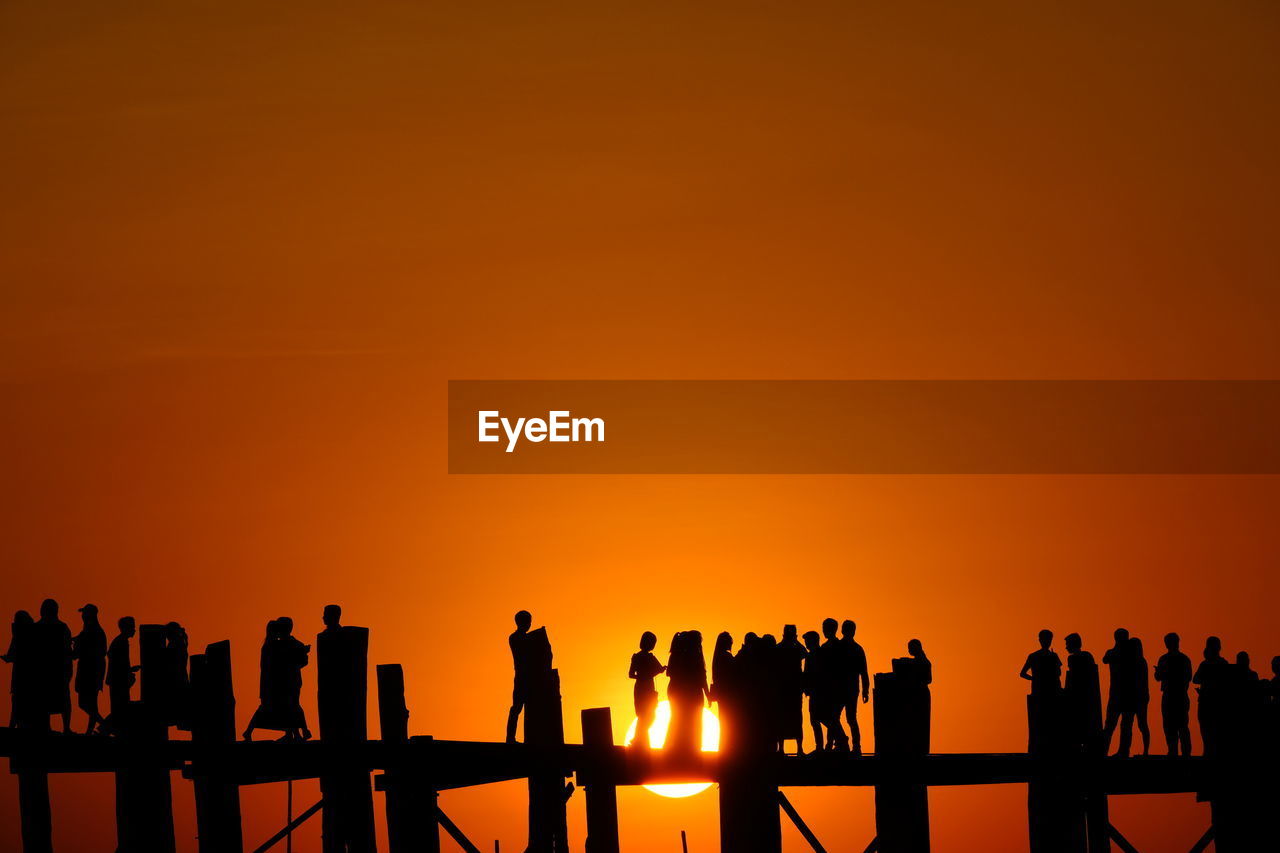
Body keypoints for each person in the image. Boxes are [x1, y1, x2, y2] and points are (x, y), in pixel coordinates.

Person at [665, 630, 710, 760]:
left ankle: (676, 746)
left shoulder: (676, 654)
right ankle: (690, 748)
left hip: (675, 690)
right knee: (692, 719)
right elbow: (702, 676)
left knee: (678, 718)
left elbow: (669, 673)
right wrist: (707, 694)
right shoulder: (694, 655)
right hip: (690, 692)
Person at [32, 599, 73, 734]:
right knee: (63, 700)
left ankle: (48, 727)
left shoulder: (36, 628)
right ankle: (66, 727)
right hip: (59, 670)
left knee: (44, 699)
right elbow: (67, 651)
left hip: (44, 671)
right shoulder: (63, 627)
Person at [1154, 632, 1193, 756]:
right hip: (1179, 695)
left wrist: (1162, 672)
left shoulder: (1164, 659)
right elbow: (1189, 677)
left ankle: (1175, 752)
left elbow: (1158, 677)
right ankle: (1182, 753)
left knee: (1173, 726)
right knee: (1179, 725)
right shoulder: (1184, 659)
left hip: (1173, 695)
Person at [72, 604, 108, 735]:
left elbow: (78, 652)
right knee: (92, 704)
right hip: (95, 670)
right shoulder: (95, 630)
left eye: (84, 614)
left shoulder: (91, 631)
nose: (82, 616)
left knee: (85, 703)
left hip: (89, 671)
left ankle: (105, 726)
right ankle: (91, 730)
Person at [1063, 633, 1102, 754]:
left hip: (1077, 699)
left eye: (1067, 644)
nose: (1066, 647)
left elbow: (1072, 679)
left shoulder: (1073, 658)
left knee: (1077, 725)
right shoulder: (1088, 656)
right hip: (1089, 698)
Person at [1193, 636, 1231, 756]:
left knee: (1207, 733)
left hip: (1208, 703)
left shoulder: (1205, 664)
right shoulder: (1223, 663)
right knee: (1216, 733)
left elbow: (1195, 679)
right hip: (1217, 703)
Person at [1101, 629, 1136, 757]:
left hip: (1118, 694)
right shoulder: (1126, 654)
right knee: (1120, 725)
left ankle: (1115, 751)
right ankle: (1118, 751)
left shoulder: (1114, 653)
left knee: (1114, 725)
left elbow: (1105, 659)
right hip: (1124, 694)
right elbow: (1105, 659)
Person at [818, 619, 851, 751]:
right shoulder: (827, 647)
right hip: (830, 688)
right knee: (832, 717)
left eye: (825, 628)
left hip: (837, 688)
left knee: (829, 716)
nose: (824, 630)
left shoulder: (838, 647)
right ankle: (835, 742)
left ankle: (840, 740)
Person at [839, 620, 871, 755]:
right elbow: (864, 671)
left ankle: (849, 744)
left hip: (843, 688)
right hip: (848, 688)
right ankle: (850, 744)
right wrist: (865, 689)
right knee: (849, 717)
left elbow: (863, 671)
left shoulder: (839, 647)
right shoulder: (857, 648)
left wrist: (865, 689)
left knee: (840, 716)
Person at [629, 631, 665, 749]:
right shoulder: (646, 657)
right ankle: (638, 740)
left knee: (646, 715)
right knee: (646, 715)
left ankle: (638, 739)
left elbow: (658, 669)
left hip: (643, 687)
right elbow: (631, 674)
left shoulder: (640, 657)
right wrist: (647, 675)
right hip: (645, 687)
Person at [775, 625, 807, 755]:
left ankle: (786, 748)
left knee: (788, 718)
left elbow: (805, 653)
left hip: (788, 689)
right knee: (793, 718)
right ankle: (795, 748)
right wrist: (796, 640)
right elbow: (805, 652)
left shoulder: (779, 648)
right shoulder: (792, 649)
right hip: (790, 689)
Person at [2, 611, 34, 728]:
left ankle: (12, 725)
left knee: (16, 703)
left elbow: (11, 655)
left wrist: (7, 658)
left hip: (19, 675)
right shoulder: (33, 633)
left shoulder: (18, 634)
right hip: (30, 676)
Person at [506, 610, 533, 743]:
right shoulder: (515, 638)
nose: (529, 624)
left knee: (531, 708)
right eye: (528, 621)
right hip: (522, 677)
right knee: (516, 707)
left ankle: (531, 738)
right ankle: (510, 738)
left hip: (528, 677)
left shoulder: (526, 638)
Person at [105, 617, 139, 724]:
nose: (134, 630)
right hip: (118, 680)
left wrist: (129, 670)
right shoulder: (121, 642)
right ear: (126, 628)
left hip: (117, 679)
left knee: (119, 707)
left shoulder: (119, 641)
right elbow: (119, 664)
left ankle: (107, 729)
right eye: (132, 627)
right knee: (121, 707)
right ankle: (104, 728)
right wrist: (128, 673)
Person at [802, 630, 829, 754]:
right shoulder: (816, 654)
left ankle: (823, 746)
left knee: (821, 719)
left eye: (807, 641)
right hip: (815, 692)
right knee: (815, 720)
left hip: (819, 692)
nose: (806, 644)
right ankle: (820, 746)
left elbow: (810, 674)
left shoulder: (816, 655)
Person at [710, 631, 736, 752]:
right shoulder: (726, 657)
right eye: (730, 641)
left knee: (724, 721)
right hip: (728, 694)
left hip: (722, 694)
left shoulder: (717, 657)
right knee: (729, 723)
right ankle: (728, 748)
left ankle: (724, 747)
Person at [1020, 629, 1062, 696]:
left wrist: (1034, 679)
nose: (1047, 642)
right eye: (1045, 640)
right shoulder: (1033, 656)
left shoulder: (1053, 656)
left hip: (1051, 691)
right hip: (1040, 692)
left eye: (1049, 640)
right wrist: (1035, 679)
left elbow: (1059, 673)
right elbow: (1022, 673)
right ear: (1040, 640)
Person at [1131, 637, 1151, 756]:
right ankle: (1145, 750)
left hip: (1139, 696)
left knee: (1141, 724)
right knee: (1139, 723)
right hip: (1140, 695)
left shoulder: (1139, 662)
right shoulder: (1141, 661)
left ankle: (1146, 750)